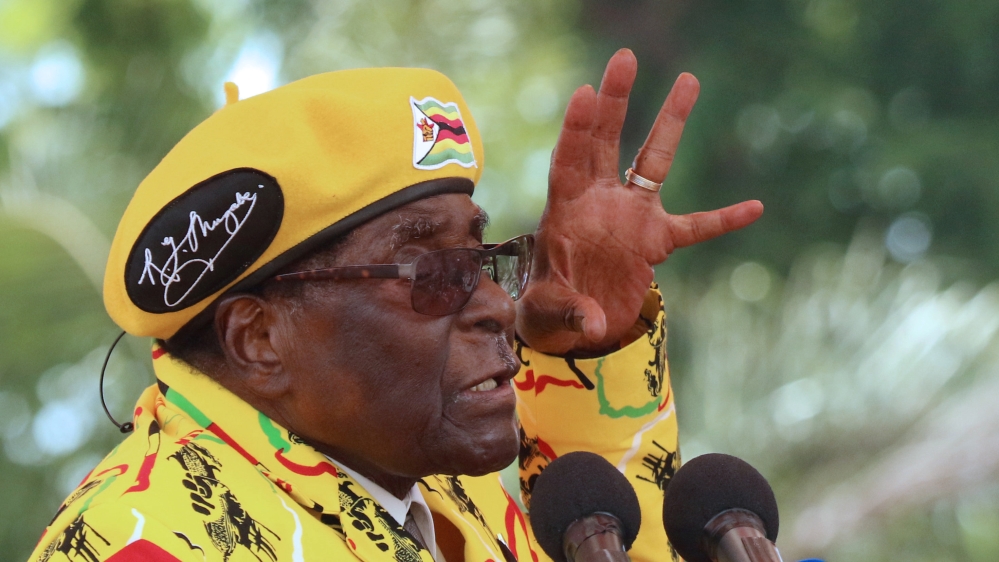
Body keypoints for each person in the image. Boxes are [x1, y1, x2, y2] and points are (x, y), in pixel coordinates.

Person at [28, 49, 761, 562]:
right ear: (259, 340)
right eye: (433, 271)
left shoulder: (421, 484)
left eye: (480, 259)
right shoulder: (140, 544)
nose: (496, 307)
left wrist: (587, 357)